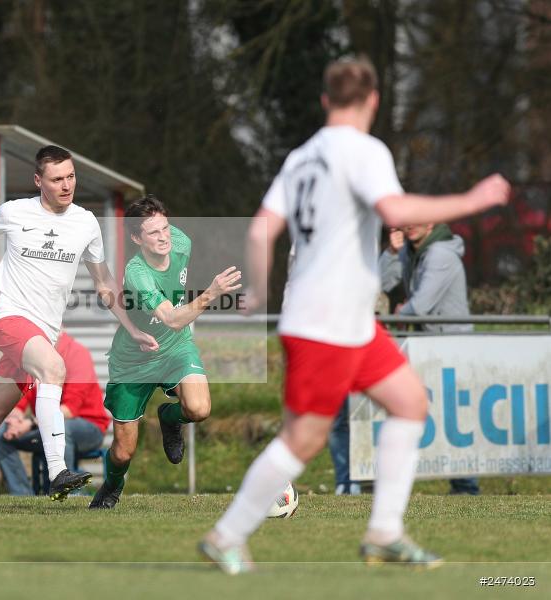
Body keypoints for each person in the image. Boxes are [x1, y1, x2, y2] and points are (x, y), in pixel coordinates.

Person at [200, 56, 510, 574]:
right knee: (304, 438)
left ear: (325, 101)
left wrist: (258, 291)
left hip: (344, 322)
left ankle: (385, 532)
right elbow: (395, 211)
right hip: (327, 323)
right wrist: (472, 200)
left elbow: (259, 231)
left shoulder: (301, 156)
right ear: (373, 100)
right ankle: (226, 534)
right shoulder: (364, 150)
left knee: (410, 402)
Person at [0, 144, 157, 510]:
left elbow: (103, 283)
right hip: (7, 318)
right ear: (39, 181)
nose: (67, 185)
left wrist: (131, 329)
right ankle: (58, 472)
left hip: (41, 333)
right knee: (54, 368)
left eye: (71, 176)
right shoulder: (14, 212)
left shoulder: (86, 223)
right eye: (57, 179)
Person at [89, 195, 241, 509]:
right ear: (136, 238)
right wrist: (211, 293)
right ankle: (112, 487)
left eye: (166, 228)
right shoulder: (137, 274)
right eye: (154, 233)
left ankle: (170, 418)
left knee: (198, 409)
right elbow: (171, 319)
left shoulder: (181, 243)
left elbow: (175, 324)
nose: (164, 237)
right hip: (134, 358)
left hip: (175, 348)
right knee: (123, 451)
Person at [379, 223, 480, 495]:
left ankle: (466, 488)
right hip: (430, 346)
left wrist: (400, 313)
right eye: (407, 219)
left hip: (453, 347)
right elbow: (383, 281)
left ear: (432, 222)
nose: (410, 225)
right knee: (427, 414)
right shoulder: (413, 251)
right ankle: (459, 486)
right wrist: (391, 251)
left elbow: (421, 306)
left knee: (455, 420)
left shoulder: (439, 255)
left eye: (418, 219)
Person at [0, 332, 109, 496]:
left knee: (61, 427)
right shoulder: (32, 356)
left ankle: (69, 493)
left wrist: (30, 423)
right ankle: (22, 495)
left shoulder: (77, 353)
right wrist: (14, 419)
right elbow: (19, 398)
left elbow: (70, 409)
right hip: (45, 427)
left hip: (88, 426)